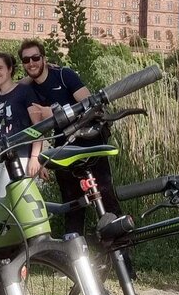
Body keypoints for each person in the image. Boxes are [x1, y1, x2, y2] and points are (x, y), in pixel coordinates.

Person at [18, 39, 122, 236]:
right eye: (26, 60)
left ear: (44, 58)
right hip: (63, 146)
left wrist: (55, 113)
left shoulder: (64, 75)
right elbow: (36, 128)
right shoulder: (29, 89)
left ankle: (120, 241)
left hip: (89, 141)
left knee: (105, 193)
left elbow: (90, 104)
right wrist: (37, 158)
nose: (31, 63)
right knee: (71, 201)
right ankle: (73, 245)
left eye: (35, 58)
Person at [0, 52, 43, 197]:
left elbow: (38, 126)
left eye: (0, 68)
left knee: (9, 198)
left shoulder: (24, 92)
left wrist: (35, 157)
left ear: (10, 69)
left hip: (21, 156)